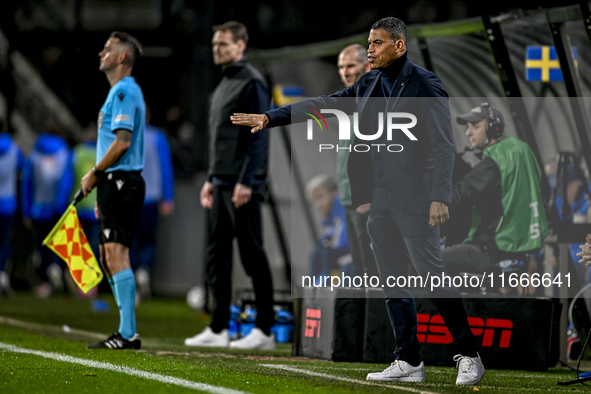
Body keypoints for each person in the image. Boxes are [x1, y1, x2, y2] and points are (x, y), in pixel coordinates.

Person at [232, 17, 484, 385]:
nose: (369, 49)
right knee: (393, 281)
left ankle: (470, 355)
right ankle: (408, 361)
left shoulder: (425, 85)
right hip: (381, 202)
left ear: (399, 46)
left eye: (377, 43)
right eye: (368, 42)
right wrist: (271, 118)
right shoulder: (368, 83)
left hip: (417, 200)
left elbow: (446, 146)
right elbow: (322, 104)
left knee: (433, 278)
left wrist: (439, 197)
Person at [184, 21, 274, 350]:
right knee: (216, 258)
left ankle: (264, 329)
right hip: (220, 183)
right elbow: (219, 140)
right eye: (214, 44)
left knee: (252, 255)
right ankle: (219, 326)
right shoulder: (224, 83)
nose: (216, 49)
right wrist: (210, 178)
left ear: (241, 46)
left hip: (241, 185)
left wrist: (247, 181)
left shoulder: (252, 82)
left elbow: (259, 136)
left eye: (223, 44)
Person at [81, 31, 146, 350]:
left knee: (116, 253)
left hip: (122, 180)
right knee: (107, 256)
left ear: (122, 57)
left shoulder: (124, 92)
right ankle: (124, 330)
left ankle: (128, 333)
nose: (101, 54)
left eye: (107, 49)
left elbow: (122, 142)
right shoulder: (118, 92)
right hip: (113, 183)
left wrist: (95, 173)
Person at [442, 103, 548, 284]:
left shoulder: (494, 162)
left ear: (493, 129)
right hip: (525, 247)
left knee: (426, 262)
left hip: (494, 248)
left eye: (475, 127)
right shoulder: (522, 150)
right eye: (467, 128)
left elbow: (461, 193)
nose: (468, 133)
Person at [336, 44, 378, 279]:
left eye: (350, 65)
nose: (345, 71)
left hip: (366, 203)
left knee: (373, 271)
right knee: (361, 270)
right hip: (349, 200)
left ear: (367, 65)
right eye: (341, 67)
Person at [21, 125, 74, 298]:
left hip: (37, 208)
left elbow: (26, 184)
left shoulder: (35, 154)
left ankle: (45, 281)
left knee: (41, 246)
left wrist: (26, 211)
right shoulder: (65, 154)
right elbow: (67, 182)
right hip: (57, 208)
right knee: (61, 245)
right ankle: (58, 269)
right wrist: (61, 205)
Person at [131, 106, 175, 302]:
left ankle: (132, 280)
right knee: (148, 240)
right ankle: (144, 270)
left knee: (130, 241)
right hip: (151, 196)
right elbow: (165, 168)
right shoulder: (157, 137)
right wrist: (168, 197)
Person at [306, 174, 353, 284]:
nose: (318, 205)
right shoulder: (333, 222)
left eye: (320, 196)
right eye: (315, 200)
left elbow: (340, 249)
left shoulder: (344, 215)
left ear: (334, 192)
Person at [0, 118, 25, 297]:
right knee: (4, 243)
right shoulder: (15, 150)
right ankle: (2, 276)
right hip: (8, 204)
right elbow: (23, 171)